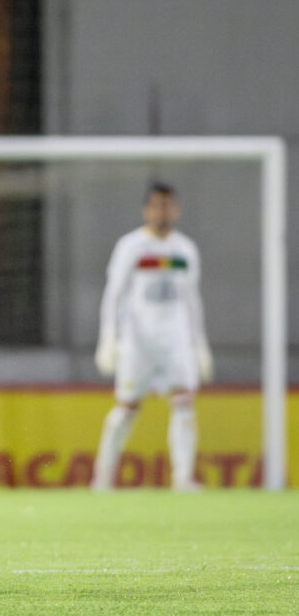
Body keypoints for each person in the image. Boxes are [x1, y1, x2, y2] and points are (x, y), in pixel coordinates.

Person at [91, 182, 213, 492]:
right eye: (157, 205)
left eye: (168, 205)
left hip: (176, 341)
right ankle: (102, 479)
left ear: (177, 209)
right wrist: (109, 338)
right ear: (146, 209)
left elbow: (192, 299)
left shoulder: (185, 249)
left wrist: (199, 344)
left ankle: (183, 478)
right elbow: (114, 294)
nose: (163, 211)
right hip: (138, 342)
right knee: (126, 408)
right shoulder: (130, 246)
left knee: (184, 404)